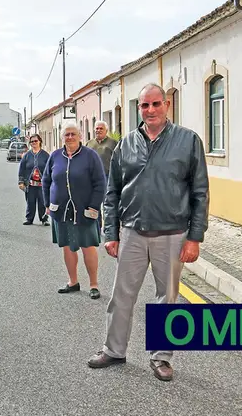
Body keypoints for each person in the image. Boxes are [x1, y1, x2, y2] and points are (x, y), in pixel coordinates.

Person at [88, 83, 209, 382]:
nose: (150, 110)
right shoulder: (125, 144)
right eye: (144, 106)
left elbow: (200, 192)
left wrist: (195, 236)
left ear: (166, 105)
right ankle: (114, 350)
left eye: (156, 104)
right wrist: (111, 233)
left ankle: (161, 357)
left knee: (167, 298)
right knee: (120, 296)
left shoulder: (188, 141)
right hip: (132, 232)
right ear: (138, 109)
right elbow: (113, 191)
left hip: (172, 233)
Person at [42, 121, 106, 300]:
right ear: (62, 137)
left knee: (88, 247)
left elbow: (100, 183)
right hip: (61, 211)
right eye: (66, 134)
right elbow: (46, 181)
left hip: (85, 210)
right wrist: (47, 203)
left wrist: (94, 206)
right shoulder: (55, 156)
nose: (69, 137)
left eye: (73, 134)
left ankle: (93, 284)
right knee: (68, 247)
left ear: (80, 136)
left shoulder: (90, 156)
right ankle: (73, 282)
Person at [18, 133, 50, 226]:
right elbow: (22, 169)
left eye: (35, 141)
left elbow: (50, 169)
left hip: (42, 185)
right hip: (30, 184)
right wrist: (21, 182)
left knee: (43, 202)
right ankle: (29, 219)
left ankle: (44, 219)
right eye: (31, 142)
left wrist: (50, 182)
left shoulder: (45, 155)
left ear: (40, 141)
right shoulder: (27, 155)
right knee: (30, 202)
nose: (34, 143)